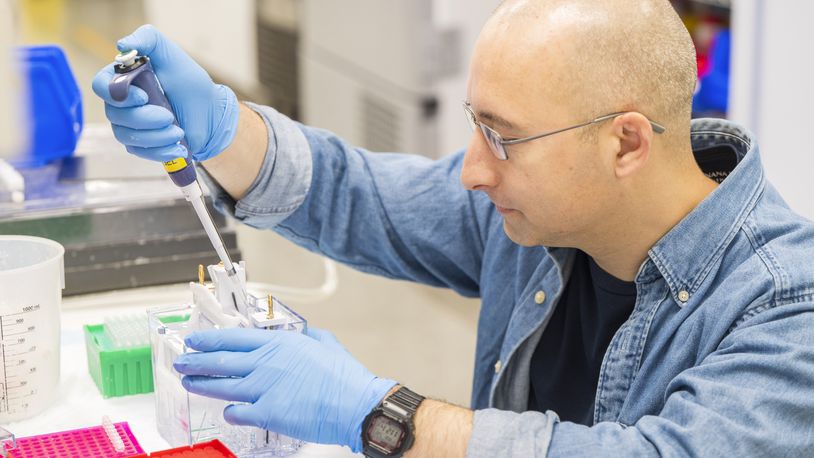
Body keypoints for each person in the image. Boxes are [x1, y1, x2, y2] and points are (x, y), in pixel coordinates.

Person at [92, 0, 814, 456]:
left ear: (625, 143)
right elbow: (362, 196)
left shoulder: (786, 307)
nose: (471, 171)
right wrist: (219, 128)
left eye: (502, 136)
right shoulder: (543, 213)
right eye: (475, 124)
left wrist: (382, 414)